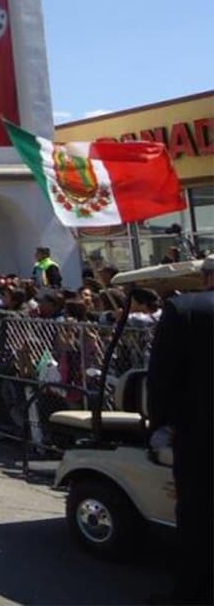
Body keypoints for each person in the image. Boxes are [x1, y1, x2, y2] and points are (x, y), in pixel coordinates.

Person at [146, 256, 214, 604]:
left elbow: (161, 378)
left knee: (199, 514)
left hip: (201, 433)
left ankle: (192, 594)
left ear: (205, 278)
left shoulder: (185, 309)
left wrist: (159, 423)